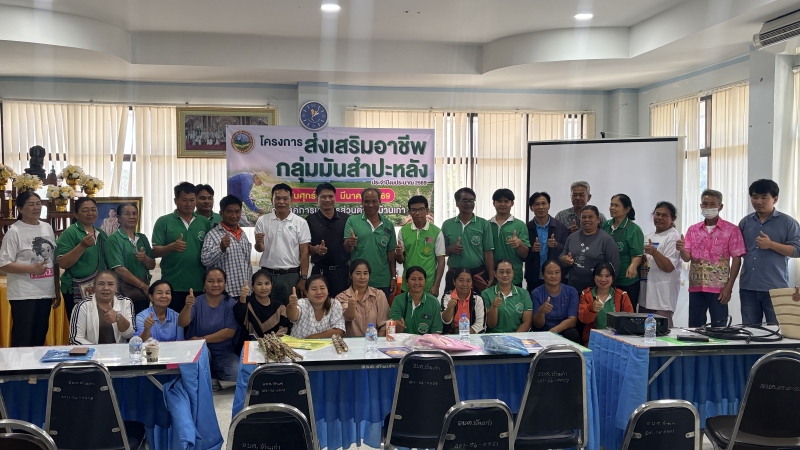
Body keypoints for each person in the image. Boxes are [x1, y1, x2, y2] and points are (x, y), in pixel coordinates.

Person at [678, 189, 745, 327]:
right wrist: (681, 249)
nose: (708, 207)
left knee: (719, 328)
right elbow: (686, 258)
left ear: (720, 206)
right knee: (695, 328)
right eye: (705, 204)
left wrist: (729, 287)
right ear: (700, 205)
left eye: (712, 204)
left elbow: (737, 259)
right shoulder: (693, 230)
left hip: (719, 288)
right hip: (696, 287)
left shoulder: (731, 230)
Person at [0, 191, 58, 347]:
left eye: (38, 204)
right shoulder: (14, 232)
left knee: (39, 336)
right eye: (31, 204)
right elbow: (3, 263)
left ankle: (35, 365)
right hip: (24, 293)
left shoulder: (47, 227)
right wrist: (31, 269)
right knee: (23, 338)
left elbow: (53, 260)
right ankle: (17, 364)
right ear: (20, 209)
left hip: (45, 291)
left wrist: (55, 290)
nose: (36, 207)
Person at [739, 179, 800, 324]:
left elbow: (797, 250)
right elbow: (738, 251)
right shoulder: (745, 222)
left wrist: (771, 244)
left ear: (775, 199)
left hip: (776, 288)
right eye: (754, 197)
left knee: (777, 331)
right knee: (750, 331)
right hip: (748, 287)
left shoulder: (788, 222)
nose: (758, 201)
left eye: (764, 197)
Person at [152, 182, 211, 314]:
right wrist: (170, 247)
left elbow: (210, 251)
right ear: (175, 201)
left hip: (199, 285)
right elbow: (154, 252)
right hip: (172, 285)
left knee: (196, 322)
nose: (189, 204)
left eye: (192, 200)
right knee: (174, 322)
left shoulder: (204, 222)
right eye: (184, 200)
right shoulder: (164, 221)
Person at [179, 268, 240, 385]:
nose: (215, 284)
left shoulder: (231, 303)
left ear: (225, 283)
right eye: (211, 281)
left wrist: (202, 339)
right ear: (204, 284)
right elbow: (182, 323)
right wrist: (188, 306)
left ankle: (209, 378)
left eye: (219, 281)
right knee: (203, 355)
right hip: (198, 350)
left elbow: (229, 332)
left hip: (223, 353)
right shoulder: (196, 302)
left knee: (236, 372)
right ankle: (208, 379)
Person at [255, 183, 311, 302]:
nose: (281, 202)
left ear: (291, 200)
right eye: (277, 198)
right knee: (266, 309)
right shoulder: (262, 220)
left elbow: (304, 252)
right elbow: (260, 249)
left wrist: (304, 278)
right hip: (267, 274)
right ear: (272, 200)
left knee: (291, 310)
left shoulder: (300, 222)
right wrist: (258, 243)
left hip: (290, 276)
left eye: (285, 198)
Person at [57, 197, 108, 319]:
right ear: (76, 214)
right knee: (79, 326)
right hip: (75, 288)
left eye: (93, 210)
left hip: (98, 287)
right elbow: (63, 263)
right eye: (85, 210)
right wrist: (82, 246)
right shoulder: (70, 232)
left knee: (98, 326)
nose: (90, 213)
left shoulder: (100, 233)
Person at [343, 188, 397, 299]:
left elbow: (391, 256)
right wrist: (350, 243)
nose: (370, 205)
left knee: (382, 310)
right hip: (359, 280)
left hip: (382, 280)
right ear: (362, 203)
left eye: (374, 201)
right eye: (366, 201)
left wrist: (393, 277)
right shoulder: (352, 221)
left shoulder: (388, 224)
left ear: (380, 202)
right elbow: (347, 249)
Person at [105, 202, 155, 315]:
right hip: (123, 293)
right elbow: (119, 270)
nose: (132, 217)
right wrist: (143, 286)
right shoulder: (114, 239)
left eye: (134, 213)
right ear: (119, 218)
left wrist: (144, 258)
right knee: (126, 324)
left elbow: (151, 265)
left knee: (142, 322)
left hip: (142, 294)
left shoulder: (142, 238)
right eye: (127, 214)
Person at [442, 187, 494, 292]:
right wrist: (451, 249)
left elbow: (488, 252)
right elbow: (441, 252)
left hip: (478, 275)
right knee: (451, 301)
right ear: (457, 202)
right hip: (454, 274)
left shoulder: (484, 224)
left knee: (478, 302)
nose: (469, 204)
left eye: (471, 201)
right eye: (465, 200)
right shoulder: (447, 224)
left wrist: (491, 276)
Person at [639, 202, 682, 327]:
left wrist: (654, 252)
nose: (659, 218)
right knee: (643, 333)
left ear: (673, 219)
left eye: (664, 215)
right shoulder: (648, 236)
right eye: (657, 214)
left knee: (662, 333)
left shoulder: (673, 237)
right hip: (645, 295)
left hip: (662, 297)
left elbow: (669, 267)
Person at [559, 205, 620, 293]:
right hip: (573, 288)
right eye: (584, 217)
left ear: (598, 219)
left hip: (596, 290)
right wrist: (565, 259)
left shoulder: (606, 239)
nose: (587, 220)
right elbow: (561, 256)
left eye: (590, 217)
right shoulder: (572, 237)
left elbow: (614, 267)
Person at [600, 194, 645, 311]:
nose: (612, 208)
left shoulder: (634, 229)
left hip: (626, 280)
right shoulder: (605, 225)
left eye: (616, 205)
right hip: (606, 280)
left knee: (626, 313)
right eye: (611, 205)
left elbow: (637, 254)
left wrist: (633, 266)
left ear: (627, 209)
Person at [202, 195, 252, 297]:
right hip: (226, 294)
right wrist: (221, 248)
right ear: (221, 213)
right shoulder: (212, 235)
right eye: (229, 212)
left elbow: (247, 264)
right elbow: (205, 260)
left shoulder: (243, 234)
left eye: (237, 212)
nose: (234, 216)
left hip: (245, 292)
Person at [306, 183, 351, 297]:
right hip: (320, 272)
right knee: (320, 304)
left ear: (335, 198)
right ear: (317, 199)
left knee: (343, 304)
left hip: (343, 272)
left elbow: (349, 247)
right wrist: (316, 249)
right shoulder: (309, 220)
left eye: (330, 196)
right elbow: (304, 248)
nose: (327, 200)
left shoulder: (346, 219)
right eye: (323, 197)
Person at [396, 195, 445, 295]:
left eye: (421, 209)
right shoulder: (403, 231)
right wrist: (399, 254)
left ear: (427, 211)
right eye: (414, 210)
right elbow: (400, 260)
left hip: (428, 285)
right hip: (408, 285)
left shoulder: (436, 232)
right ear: (409, 212)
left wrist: (436, 285)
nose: (417, 213)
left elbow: (441, 261)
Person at [70, 270, 134, 344]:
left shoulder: (125, 302)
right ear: (94, 287)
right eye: (101, 284)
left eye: (110, 284)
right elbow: (75, 339)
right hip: (92, 351)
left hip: (119, 351)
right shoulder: (82, 306)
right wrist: (96, 350)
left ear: (116, 287)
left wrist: (118, 317)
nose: (106, 288)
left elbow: (129, 335)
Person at [578, 262, 633, 345]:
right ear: (594, 277)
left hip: (617, 341)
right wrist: (591, 308)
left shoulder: (622, 295)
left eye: (607, 276)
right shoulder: (586, 295)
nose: (603, 279)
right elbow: (584, 320)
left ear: (613, 278)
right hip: (593, 341)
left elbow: (630, 321)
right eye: (599, 275)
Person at [525, 192, 569, 291]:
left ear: (549, 205)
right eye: (537, 204)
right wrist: (532, 250)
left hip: (556, 277)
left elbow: (568, 250)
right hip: (534, 277)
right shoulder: (527, 228)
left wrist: (556, 245)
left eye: (543, 203)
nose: (541, 207)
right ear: (531, 208)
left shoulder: (560, 226)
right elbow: (522, 256)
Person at [335, 259, 390, 337]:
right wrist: (351, 306)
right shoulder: (341, 297)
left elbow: (384, 325)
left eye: (365, 273)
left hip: (373, 342)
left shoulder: (379, 295)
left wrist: (376, 342)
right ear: (350, 275)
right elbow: (348, 317)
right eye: (358, 273)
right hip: (350, 342)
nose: (362, 277)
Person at [489, 189, 530, 287]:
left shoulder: (520, 225)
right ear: (494, 203)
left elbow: (525, 254)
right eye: (499, 201)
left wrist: (520, 244)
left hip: (513, 277)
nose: (503, 204)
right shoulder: (487, 225)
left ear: (512, 203)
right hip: (492, 276)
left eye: (506, 201)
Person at [531, 260, 580, 342]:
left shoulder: (571, 292)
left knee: (573, 334)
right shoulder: (536, 293)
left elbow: (572, 320)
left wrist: (553, 331)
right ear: (542, 275)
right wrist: (541, 311)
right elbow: (538, 325)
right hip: (543, 331)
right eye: (549, 273)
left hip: (563, 330)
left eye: (557, 272)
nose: (554, 276)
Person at [234, 269, 292, 338]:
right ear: (253, 287)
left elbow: (284, 329)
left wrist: (271, 341)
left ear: (271, 285)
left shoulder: (280, 307)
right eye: (259, 284)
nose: (263, 288)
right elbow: (239, 317)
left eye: (267, 284)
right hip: (250, 343)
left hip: (275, 343)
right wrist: (243, 297)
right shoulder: (247, 303)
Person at [482, 259, 532, 333]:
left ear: (513, 273)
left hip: (517, 336)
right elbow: (490, 325)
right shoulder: (486, 293)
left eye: (508, 272)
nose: (505, 275)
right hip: (494, 336)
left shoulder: (524, 293)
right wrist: (494, 306)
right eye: (501, 272)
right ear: (495, 273)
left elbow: (527, 322)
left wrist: (514, 337)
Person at [389, 266, 443, 335]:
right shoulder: (398, 300)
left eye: (420, 279)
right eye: (413, 279)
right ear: (406, 282)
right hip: (403, 340)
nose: (417, 282)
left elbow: (436, 331)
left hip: (426, 341)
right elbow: (393, 327)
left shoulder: (434, 302)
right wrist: (396, 327)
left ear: (425, 281)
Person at [440, 267, 485, 334]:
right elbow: (446, 321)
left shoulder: (478, 298)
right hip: (451, 335)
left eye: (468, 281)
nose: (464, 284)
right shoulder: (448, 297)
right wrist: (449, 308)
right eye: (461, 280)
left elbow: (480, 324)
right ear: (454, 282)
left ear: (472, 283)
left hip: (471, 334)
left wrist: (464, 335)